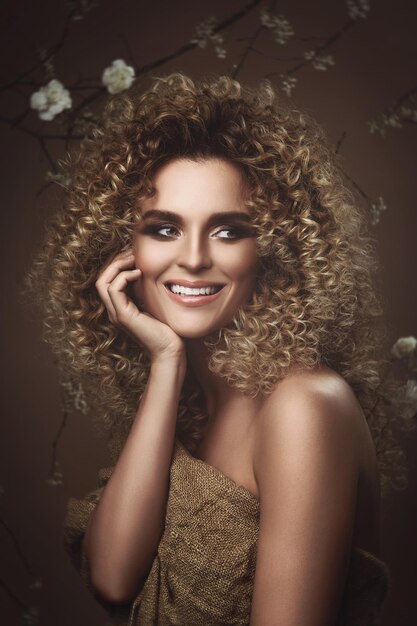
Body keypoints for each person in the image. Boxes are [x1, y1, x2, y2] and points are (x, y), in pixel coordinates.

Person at [29, 72, 396, 625]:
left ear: (274, 249)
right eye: (164, 229)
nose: (195, 258)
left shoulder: (304, 405)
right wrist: (166, 363)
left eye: (228, 230)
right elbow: (111, 578)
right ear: (123, 248)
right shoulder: (191, 403)